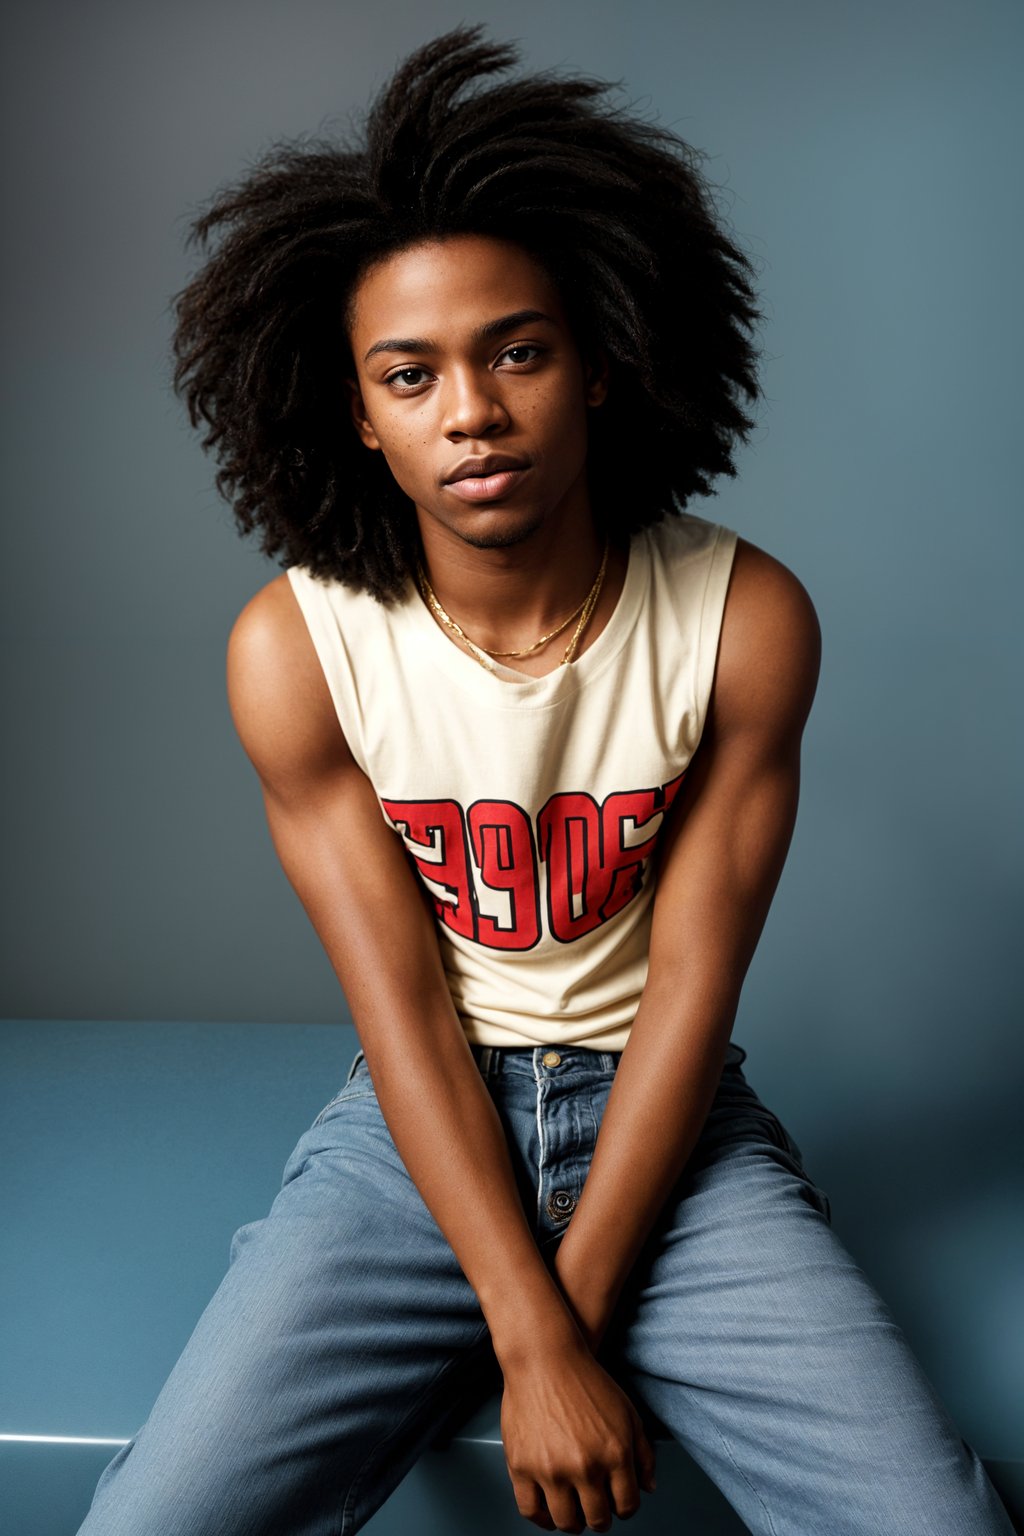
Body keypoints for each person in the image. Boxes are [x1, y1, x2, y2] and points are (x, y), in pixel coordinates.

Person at [78, 24, 1015, 1536]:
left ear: (603, 362)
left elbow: (693, 992)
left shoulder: (743, 621)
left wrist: (562, 1330)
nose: (472, 411)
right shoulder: (300, 648)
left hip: (672, 1127)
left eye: (518, 349)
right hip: (413, 1134)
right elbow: (397, 1003)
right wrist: (527, 1331)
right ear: (359, 416)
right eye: (412, 372)